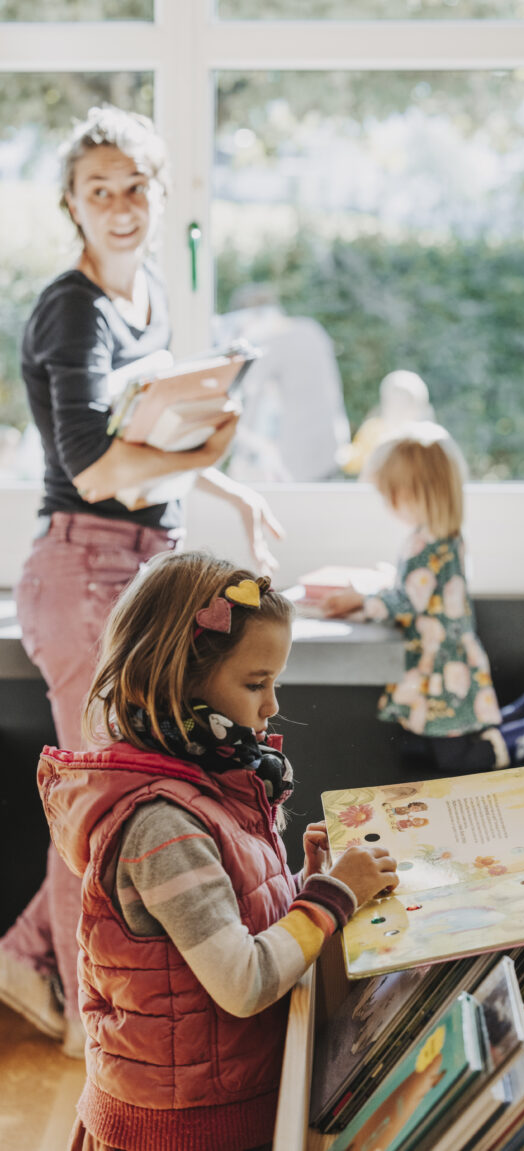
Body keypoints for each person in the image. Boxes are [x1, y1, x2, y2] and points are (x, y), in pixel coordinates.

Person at [0, 105, 283, 1058]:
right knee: (110, 804)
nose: (120, 206)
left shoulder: (148, 294)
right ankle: (95, 1026)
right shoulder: (70, 307)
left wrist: (231, 487)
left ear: (161, 196)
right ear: (73, 207)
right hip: (85, 569)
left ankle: (29, 954)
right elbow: (97, 467)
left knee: (120, 788)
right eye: (99, 191)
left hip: (140, 570)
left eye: (135, 187)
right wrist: (210, 443)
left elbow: (149, 437)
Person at [37, 550, 399, 1151]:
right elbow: (243, 979)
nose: (272, 705)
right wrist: (334, 897)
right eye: (256, 683)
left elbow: (235, 920)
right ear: (174, 684)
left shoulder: (212, 784)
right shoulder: (162, 828)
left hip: (224, 1107)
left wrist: (308, 882)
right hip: (178, 1133)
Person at [321, 422, 524, 774]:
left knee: (457, 759)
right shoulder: (444, 538)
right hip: (452, 658)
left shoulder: (424, 548)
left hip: (442, 671)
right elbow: (421, 592)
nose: (386, 503)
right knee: (461, 730)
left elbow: (406, 602)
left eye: (390, 494)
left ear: (413, 493)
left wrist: (360, 601)